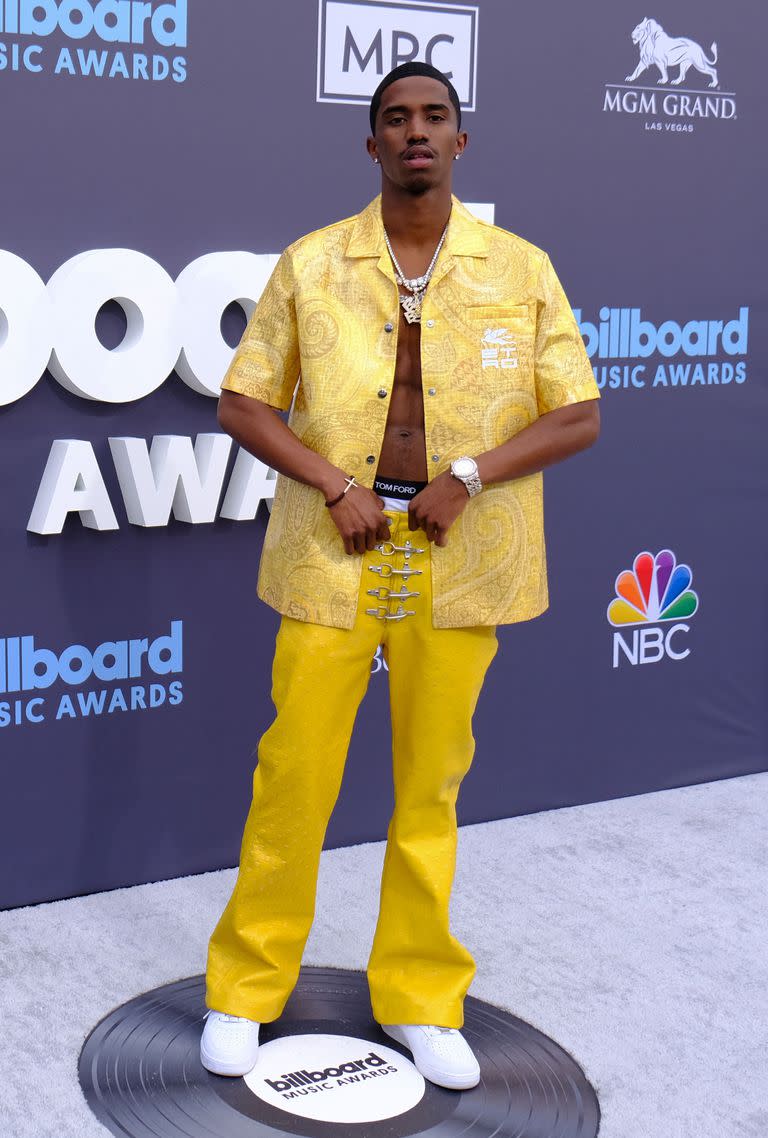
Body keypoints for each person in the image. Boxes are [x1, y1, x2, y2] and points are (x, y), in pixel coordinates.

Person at [201, 61, 600, 1090]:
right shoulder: (313, 263)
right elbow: (244, 403)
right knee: (294, 778)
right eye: (395, 119)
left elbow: (578, 412)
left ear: (461, 142)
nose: (415, 132)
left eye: (434, 117)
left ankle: (421, 998)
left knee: (431, 786)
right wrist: (335, 482)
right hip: (334, 554)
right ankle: (246, 988)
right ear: (369, 144)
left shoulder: (522, 268)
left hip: (462, 563)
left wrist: (469, 474)